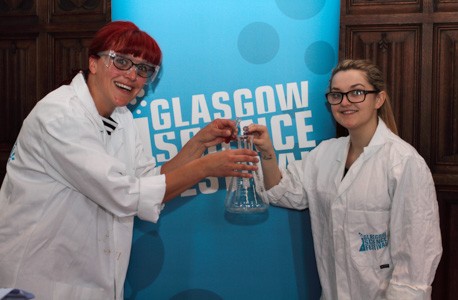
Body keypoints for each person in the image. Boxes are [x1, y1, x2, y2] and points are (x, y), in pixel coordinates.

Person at [0, 21, 258, 300]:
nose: (132, 75)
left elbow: (148, 180)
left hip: (86, 279)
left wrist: (199, 144)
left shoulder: (121, 117)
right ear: (94, 63)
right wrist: (206, 168)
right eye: (121, 62)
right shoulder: (60, 116)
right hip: (39, 280)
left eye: (144, 69)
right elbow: (125, 194)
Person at [246, 59, 442, 300]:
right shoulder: (325, 154)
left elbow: (417, 254)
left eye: (357, 92)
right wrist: (267, 151)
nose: (345, 102)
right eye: (337, 95)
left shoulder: (404, 162)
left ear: (378, 99)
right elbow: (283, 192)